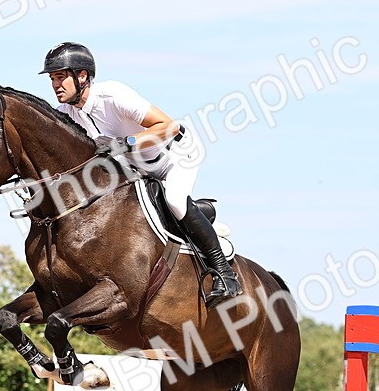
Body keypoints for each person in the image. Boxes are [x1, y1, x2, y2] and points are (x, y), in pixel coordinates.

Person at [40, 41, 242, 307]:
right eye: (53, 79)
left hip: (174, 156)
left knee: (175, 201)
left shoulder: (113, 96)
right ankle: (200, 212)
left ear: (83, 76)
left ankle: (225, 274)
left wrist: (126, 142)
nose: (56, 85)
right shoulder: (66, 114)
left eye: (61, 77)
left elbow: (168, 126)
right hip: (136, 168)